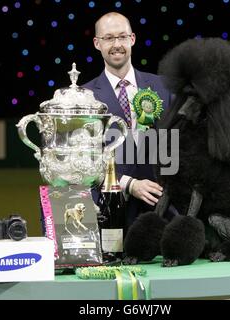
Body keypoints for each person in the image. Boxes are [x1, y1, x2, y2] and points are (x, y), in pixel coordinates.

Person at [83, 12, 173, 227]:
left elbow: (179, 145)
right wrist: (129, 184)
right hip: (111, 213)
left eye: (122, 37)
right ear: (97, 43)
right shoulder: (84, 97)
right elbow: (84, 163)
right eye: (108, 38)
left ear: (132, 39)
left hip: (162, 211)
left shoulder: (165, 87)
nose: (117, 44)